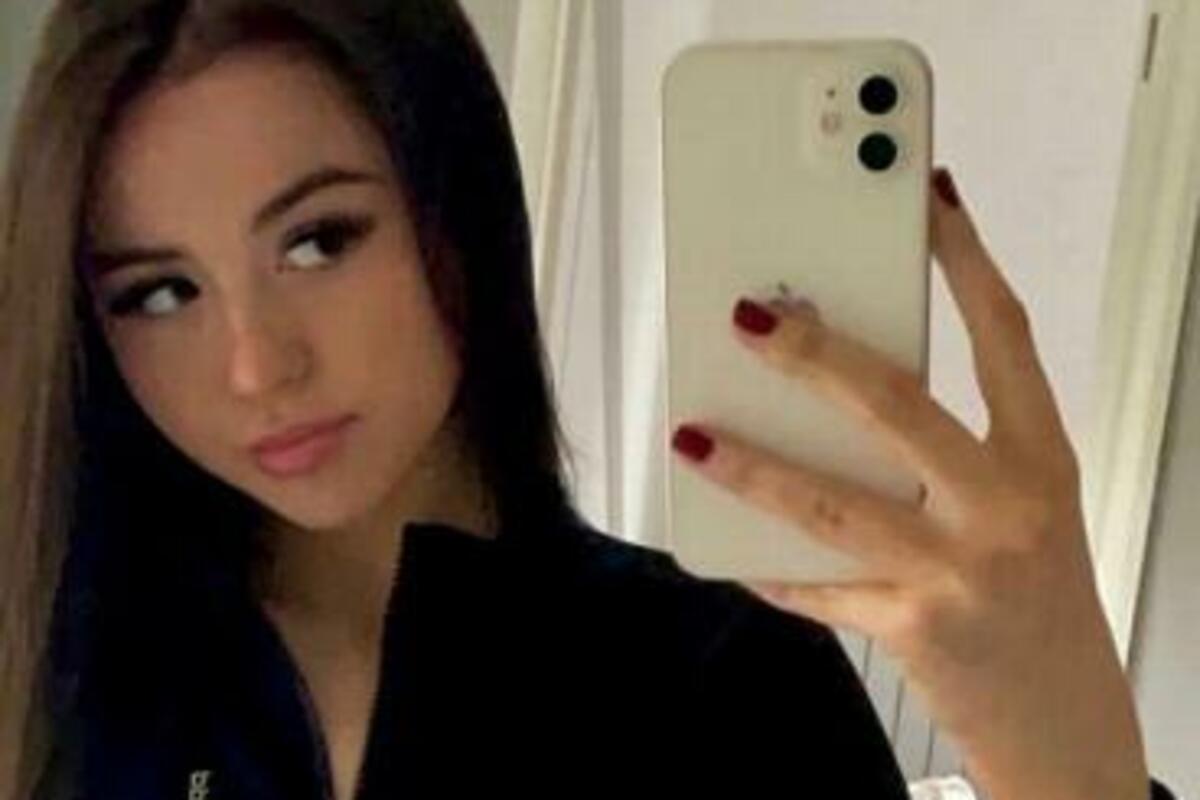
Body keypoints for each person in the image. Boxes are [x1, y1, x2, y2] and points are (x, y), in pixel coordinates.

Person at [0, 1, 1177, 798]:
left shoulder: (724, 680)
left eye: (319, 240)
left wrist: (1070, 763)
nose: (257, 365)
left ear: (456, 206)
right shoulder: (66, 679)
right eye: (159, 292)